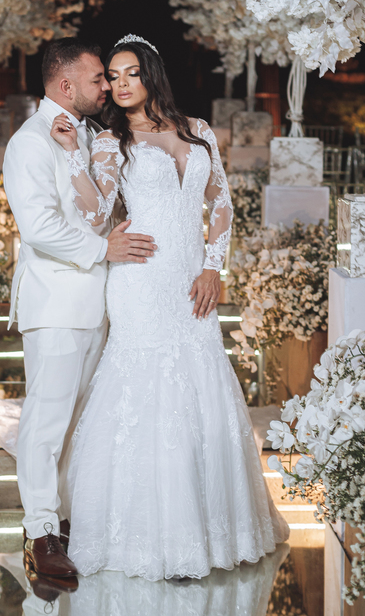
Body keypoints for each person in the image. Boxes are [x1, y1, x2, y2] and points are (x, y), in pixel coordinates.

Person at [52, 34, 289, 579]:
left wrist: (214, 266)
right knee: (145, 388)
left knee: (200, 381)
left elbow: (222, 203)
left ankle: (209, 529)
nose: (120, 84)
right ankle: (144, 538)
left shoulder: (198, 131)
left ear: (151, 74)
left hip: (192, 279)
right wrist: (73, 158)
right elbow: (96, 210)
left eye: (130, 72)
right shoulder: (113, 141)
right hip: (140, 279)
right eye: (112, 76)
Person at [3, 38, 157, 587]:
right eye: (98, 78)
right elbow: (39, 227)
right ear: (66, 85)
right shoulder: (30, 142)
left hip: (100, 304)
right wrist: (103, 250)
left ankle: (67, 522)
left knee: (78, 425)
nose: (106, 88)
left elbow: (98, 205)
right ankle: (40, 534)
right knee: (46, 423)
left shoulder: (85, 134)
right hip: (57, 303)